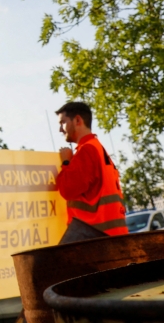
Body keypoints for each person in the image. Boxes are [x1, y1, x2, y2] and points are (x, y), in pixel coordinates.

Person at [54, 101, 127, 236]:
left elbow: (67, 189)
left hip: (94, 237)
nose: (60, 129)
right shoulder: (97, 148)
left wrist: (65, 162)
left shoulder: (87, 150)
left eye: (62, 123)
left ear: (77, 120)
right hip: (111, 236)